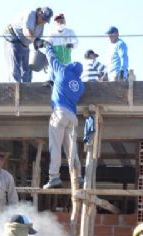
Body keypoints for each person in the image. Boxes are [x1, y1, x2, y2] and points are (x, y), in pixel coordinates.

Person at [42, 42, 85, 189]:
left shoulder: (62, 71)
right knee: (71, 149)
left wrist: (47, 46)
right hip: (72, 117)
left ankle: (54, 177)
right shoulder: (81, 85)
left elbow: (51, 59)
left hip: (59, 113)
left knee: (55, 146)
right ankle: (78, 176)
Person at [4, 7, 54, 83]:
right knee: (15, 71)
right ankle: (15, 92)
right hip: (13, 38)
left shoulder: (41, 26)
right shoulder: (31, 15)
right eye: (43, 19)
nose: (43, 22)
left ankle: (27, 92)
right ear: (39, 13)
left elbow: (36, 44)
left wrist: (44, 58)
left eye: (45, 21)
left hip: (25, 44)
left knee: (27, 72)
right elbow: (26, 31)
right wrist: (36, 40)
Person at [46, 13, 78, 85]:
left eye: (62, 21)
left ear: (65, 22)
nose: (60, 23)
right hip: (56, 63)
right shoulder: (52, 34)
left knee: (67, 81)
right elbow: (47, 47)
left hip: (67, 61)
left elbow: (76, 42)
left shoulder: (70, 32)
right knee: (52, 80)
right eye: (58, 21)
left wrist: (72, 44)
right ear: (55, 23)